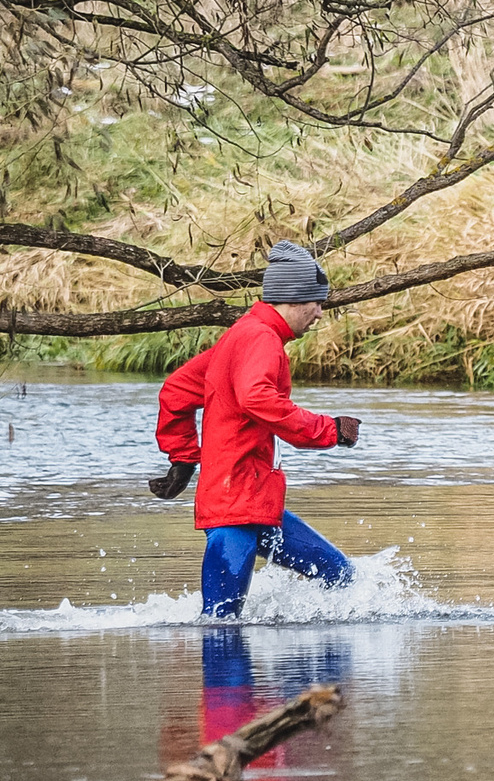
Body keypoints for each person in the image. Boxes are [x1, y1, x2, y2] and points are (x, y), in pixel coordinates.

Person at [152, 241, 362, 618]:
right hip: (236, 505)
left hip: (253, 502)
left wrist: (183, 459)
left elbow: (176, 391)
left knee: (341, 577)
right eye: (317, 302)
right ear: (296, 298)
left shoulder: (244, 334)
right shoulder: (261, 339)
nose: (319, 313)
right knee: (220, 624)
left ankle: (316, 678)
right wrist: (328, 430)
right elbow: (257, 397)